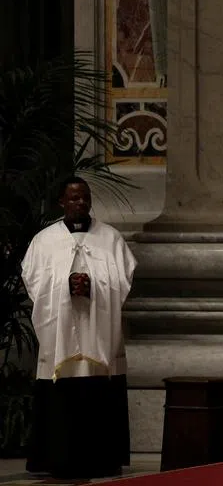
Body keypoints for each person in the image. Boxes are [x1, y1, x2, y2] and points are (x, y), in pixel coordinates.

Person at [22, 177, 136, 478]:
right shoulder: (44, 241)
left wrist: (94, 284)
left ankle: (103, 460)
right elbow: (34, 281)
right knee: (61, 398)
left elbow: (123, 279)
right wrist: (65, 285)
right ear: (62, 201)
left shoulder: (110, 239)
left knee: (98, 395)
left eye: (84, 198)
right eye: (73, 198)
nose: (80, 203)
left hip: (97, 334)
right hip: (60, 336)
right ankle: (58, 460)